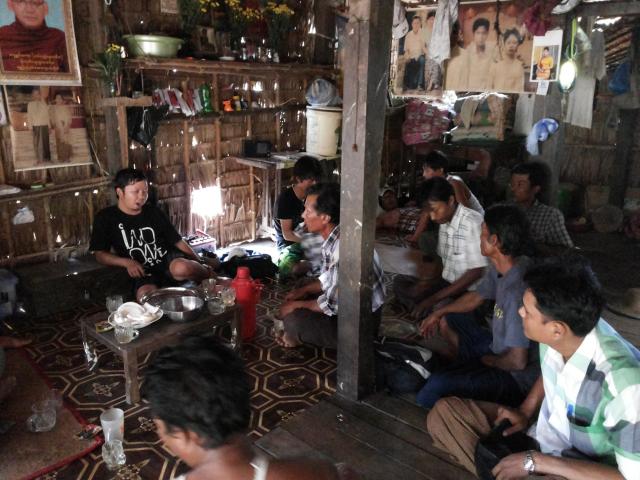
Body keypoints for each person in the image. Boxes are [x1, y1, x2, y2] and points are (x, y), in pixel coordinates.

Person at [427, 256, 640, 479]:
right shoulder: (563, 334)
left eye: (527, 312)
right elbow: (554, 370)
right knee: (444, 414)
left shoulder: (624, 388)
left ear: (556, 330)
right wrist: (525, 411)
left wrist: (537, 462)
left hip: (577, 468)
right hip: (540, 438)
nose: (520, 312)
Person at [144, 336, 359, 480]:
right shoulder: (306, 472)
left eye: (160, 428)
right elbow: (337, 473)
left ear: (186, 435)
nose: (160, 436)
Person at [415, 205, 539, 408]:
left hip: (514, 378)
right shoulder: (504, 265)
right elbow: (477, 296)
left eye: (482, 233)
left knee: (433, 388)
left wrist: (489, 361)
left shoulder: (516, 293)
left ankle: (468, 386)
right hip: (497, 347)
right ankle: (465, 369)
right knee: (452, 317)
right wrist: (439, 312)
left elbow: (517, 361)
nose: (479, 238)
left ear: (495, 241)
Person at [277, 183, 386, 349]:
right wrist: (304, 291)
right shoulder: (338, 234)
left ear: (325, 218)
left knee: (293, 320)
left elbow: (333, 305)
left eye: (308, 211)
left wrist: (297, 306)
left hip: (359, 326)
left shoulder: (343, 249)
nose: (303, 215)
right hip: (355, 309)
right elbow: (329, 278)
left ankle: (293, 336)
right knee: (303, 288)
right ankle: (297, 326)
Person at [90, 168, 215, 301]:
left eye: (145, 192)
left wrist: (198, 261)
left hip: (168, 261)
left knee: (181, 268)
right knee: (146, 297)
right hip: (143, 270)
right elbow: (100, 254)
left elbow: (177, 241)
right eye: (135, 192)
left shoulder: (153, 212)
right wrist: (126, 262)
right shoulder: (106, 218)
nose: (141, 196)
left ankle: (210, 275)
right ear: (120, 192)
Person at [393, 177, 487, 318]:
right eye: (428, 211)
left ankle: (433, 311)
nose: (432, 217)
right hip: (447, 285)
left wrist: (433, 298)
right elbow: (443, 265)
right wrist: (426, 283)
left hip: (469, 292)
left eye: (435, 210)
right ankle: (426, 309)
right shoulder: (443, 222)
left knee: (438, 306)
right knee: (399, 282)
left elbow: (476, 272)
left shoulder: (472, 222)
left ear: (450, 201)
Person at [273, 156, 322, 279]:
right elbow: (287, 234)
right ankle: (314, 264)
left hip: (309, 240)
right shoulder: (285, 199)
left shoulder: (313, 195)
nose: (315, 183)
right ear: (298, 179)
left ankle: (316, 263)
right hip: (289, 246)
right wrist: (309, 241)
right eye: (310, 180)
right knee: (292, 269)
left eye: (316, 179)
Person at [510, 162, 574, 252]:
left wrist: (532, 244)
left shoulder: (551, 216)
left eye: (520, 184)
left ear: (535, 189)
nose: (513, 189)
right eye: (512, 183)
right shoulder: (504, 210)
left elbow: (566, 250)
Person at [0, 0, 68, 73]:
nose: (30, 10)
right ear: (11, 5)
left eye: (37, 3)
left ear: (46, 8)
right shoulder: (2, 36)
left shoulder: (60, 39)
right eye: (21, 2)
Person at [488, 29, 525, 93]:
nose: (511, 46)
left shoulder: (519, 66)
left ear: (517, 46)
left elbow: (519, 90)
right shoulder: (495, 64)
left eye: (514, 43)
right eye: (508, 42)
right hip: (494, 99)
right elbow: (488, 87)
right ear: (504, 44)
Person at [466, 18, 495, 91]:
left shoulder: (492, 52)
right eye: (478, 33)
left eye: (484, 33)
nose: (481, 37)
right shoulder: (468, 52)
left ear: (487, 34)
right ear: (474, 34)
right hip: (469, 91)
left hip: (487, 92)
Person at [403, 15, 429, 90]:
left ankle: (420, 85)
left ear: (420, 24)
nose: (416, 25)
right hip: (411, 56)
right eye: (414, 23)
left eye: (418, 23)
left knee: (422, 61)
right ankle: (409, 84)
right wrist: (407, 56)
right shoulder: (408, 35)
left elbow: (426, 46)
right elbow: (406, 49)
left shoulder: (424, 33)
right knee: (407, 63)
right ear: (412, 24)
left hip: (420, 55)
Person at [26, 87, 50, 164]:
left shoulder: (43, 103)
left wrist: (49, 126)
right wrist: (30, 127)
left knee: (45, 143)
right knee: (37, 143)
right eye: (34, 94)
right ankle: (39, 159)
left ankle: (46, 158)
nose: (36, 96)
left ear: (39, 95)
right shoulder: (30, 104)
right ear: (32, 95)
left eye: (37, 94)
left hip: (44, 125)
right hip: (35, 125)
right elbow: (29, 116)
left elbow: (47, 115)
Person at [49, 93, 72, 162]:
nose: (58, 99)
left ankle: (67, 157)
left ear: (62, 100)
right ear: (55, 99)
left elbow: (69, 117)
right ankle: (61, 158)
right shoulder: (53, 108)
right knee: (59, 142)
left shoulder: (66, 107)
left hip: (65, 127)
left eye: (60, 98)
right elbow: (51, 117)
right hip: (58, 127)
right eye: (57, 98)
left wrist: (67, 125)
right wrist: (54, 124)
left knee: (66, 142)